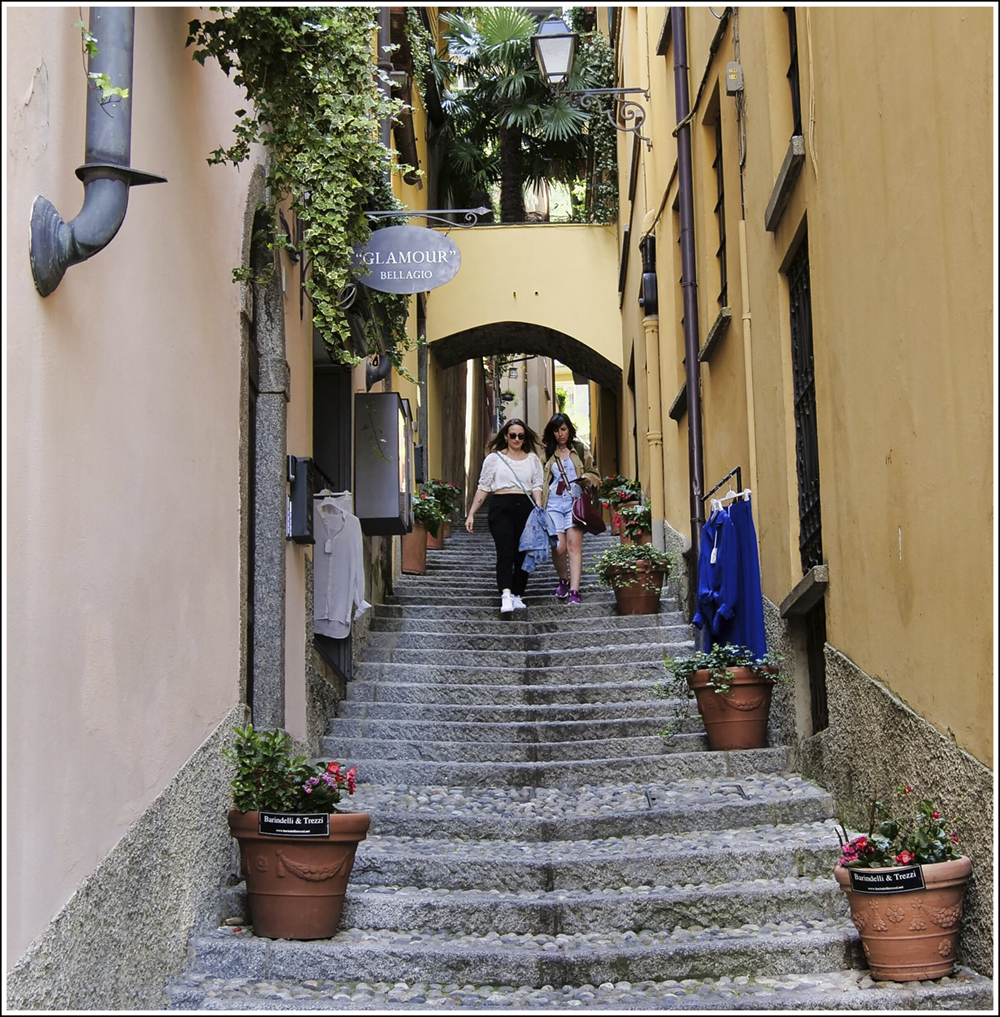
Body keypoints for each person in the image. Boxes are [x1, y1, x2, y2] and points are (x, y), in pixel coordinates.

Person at [465, 418, 543, 615]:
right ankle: (506, 593)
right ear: (506, 437)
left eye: (520, 435)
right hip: (501, 506)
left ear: (525, 437)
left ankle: (517, 594)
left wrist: (539, 511)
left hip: (526, 507)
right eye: (513, 435)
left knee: (523, 552)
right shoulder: (494, 459)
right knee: (505, 550)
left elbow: (537, 487)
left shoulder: (533, 459)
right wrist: (472, 513)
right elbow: (483, 487)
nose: (516, 439)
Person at [541, 413, 600, 605]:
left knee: (574, 546)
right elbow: (539, 478)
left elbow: (594, 474)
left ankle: (574, 590)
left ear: (569, 429)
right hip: (553, 504)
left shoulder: (580, 450)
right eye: (557, 430)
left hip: (574, 503)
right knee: (558, 547)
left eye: (563, 429)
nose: (560, 434)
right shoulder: (547, 453)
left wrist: (586, 479)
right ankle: (563, 580)